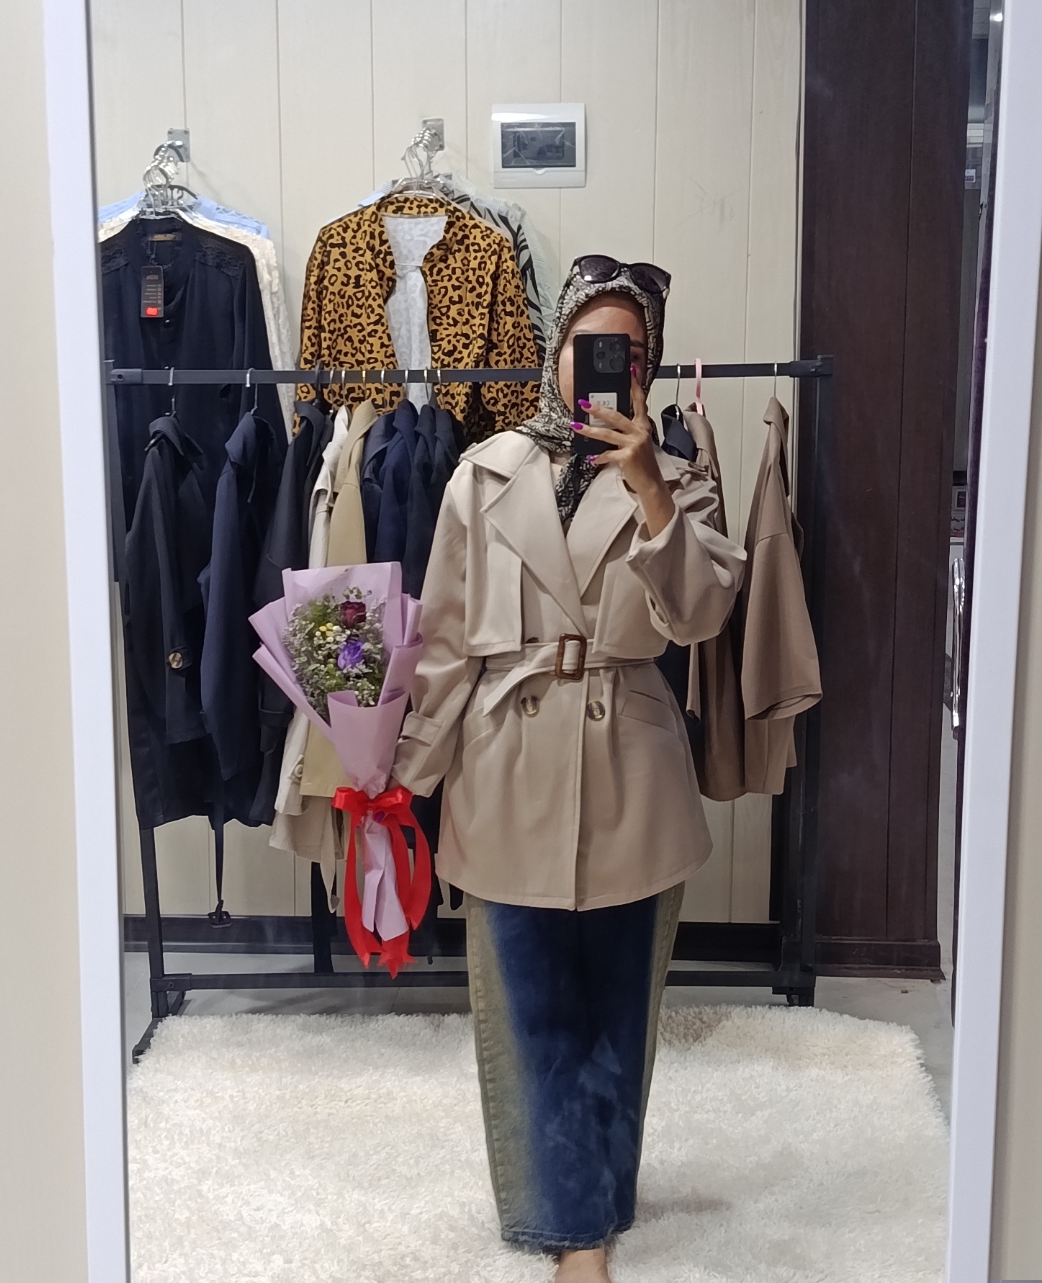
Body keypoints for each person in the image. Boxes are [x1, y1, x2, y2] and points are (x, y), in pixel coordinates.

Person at [390, 257, 746, 1283]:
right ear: (554, 353)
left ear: (649, 366)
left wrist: (650, 489)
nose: (605, 365)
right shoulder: (483, 471)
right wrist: (406, 773)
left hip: (631, 768)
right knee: (529, 1011)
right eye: (589, 344)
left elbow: (700, 616)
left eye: (626, 351)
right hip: (506, 761)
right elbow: (445, 637)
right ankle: (567, 1228)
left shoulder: (681, 478)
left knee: (618, 1012)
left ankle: (594, 1210)